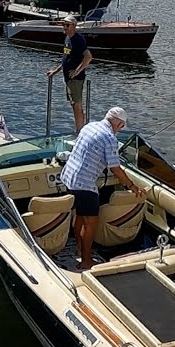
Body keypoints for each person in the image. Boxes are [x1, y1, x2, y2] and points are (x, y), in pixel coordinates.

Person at [58, 107, 145, 270]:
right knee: (91, 223)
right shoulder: (109, 138)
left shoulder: (89, 126)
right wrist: (132, 186)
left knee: (80, 216)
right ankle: (85, 260)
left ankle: (80, 248)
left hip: (69, 177)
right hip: (85, 184)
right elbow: (115, 168)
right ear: (119, 124)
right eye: (121, 127)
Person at [45, 16, 91, 134]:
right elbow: (66, 58)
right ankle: (80, 129)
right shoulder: (67, 39)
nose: (64, 27)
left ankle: (80, 132)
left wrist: (77, 71)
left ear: (74, 26)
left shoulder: (78, 39)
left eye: (67, 25)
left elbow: (88, 57)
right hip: (68, 78)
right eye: (63, 25)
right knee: (74, 104)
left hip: (75, 79)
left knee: (77, 105)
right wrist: (56, 71)